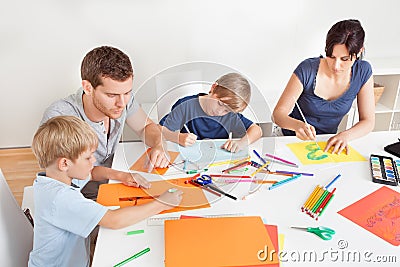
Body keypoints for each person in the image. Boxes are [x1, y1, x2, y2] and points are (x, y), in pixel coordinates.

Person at [28, 116, 183, 267]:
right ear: (64, 163)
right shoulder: (61, 198)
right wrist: (161, 203)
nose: (93, 160)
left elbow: (93, 172)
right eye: (88, 158)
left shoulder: (55, 177)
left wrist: (121, 175)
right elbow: (113, 220)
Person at [40, 46, 169, 200]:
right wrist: (119, 175)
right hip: (81, 194)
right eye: (111, 95)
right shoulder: (60, 117)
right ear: (88, 88)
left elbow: (146, 127)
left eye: (127, 93)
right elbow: (61, 179)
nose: (122, 103)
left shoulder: (121, 100)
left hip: (113, 177)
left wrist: (158, 145)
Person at [272, 19, 375, 155]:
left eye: (344, 59)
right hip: (289, 140)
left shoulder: (363, 71)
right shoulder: (307, 69)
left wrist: (345, 136)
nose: (336, 66)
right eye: (331, 57)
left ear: (359, 51)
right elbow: (277, 115)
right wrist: (298, 126)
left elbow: (368, 121)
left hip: (325, 144)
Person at [159, 73, 262, 152]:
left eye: (227, 110)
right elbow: (159, 130)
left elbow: (257, 130)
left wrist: (242, 143)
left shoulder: (229, 115)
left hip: (217, 165)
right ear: (213, 88)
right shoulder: (186, 106)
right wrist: (177, 138)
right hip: (188, 159)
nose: (220, 111)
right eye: (220, 104)